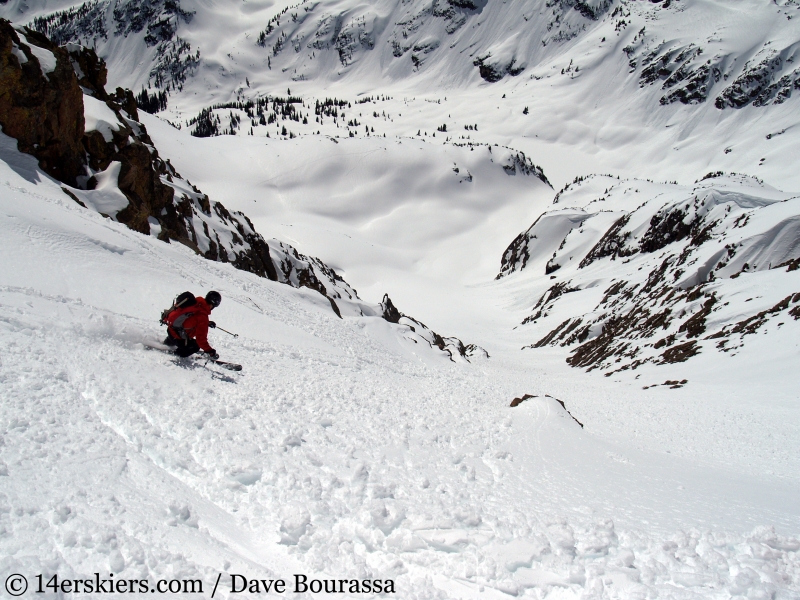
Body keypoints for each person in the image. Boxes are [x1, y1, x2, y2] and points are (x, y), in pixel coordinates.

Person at [163, 291, 222, 359]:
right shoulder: (203, 316)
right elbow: (201, 339)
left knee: (178, 335)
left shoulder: (196, 303)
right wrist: (210, 351)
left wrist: (207, 323)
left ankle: (166, 344)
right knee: (195, 346)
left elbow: (191, 318)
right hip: (178, 336)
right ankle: (176, 354)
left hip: (171, 329)